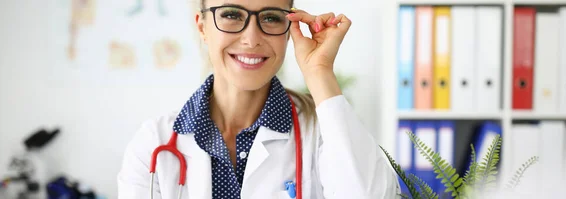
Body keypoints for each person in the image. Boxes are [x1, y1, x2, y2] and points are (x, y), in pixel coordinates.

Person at [116, 0, 401, 198]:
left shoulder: (323, 133)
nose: (252, 38)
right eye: (231, 14)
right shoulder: (153, 144)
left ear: (289, 29)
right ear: (202, 26)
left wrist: (320, 72)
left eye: (271, 17)